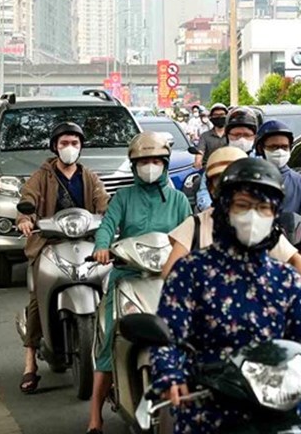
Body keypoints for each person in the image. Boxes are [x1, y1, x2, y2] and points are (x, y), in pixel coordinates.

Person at [150, 158, 301, 432]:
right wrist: (170, 373)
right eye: (243, 206)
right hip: (208, 408)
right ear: (224, 210)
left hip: (280, 409)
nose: (253, 216)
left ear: (274, 215)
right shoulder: (190, 272)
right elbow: (167, 336)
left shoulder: (286, 279)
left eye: (263, 208)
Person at [86, 131, 191, 434]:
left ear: (165, 163)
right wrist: (102, 247)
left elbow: (190, 231)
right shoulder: (123, 197)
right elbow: (107, 227)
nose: (150, 166)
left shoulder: (178, 200)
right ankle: (95, 412)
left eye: (156, 160)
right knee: (108, 339)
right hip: (128, 276)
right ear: (134, 165)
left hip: (169, 279)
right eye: (143, 161)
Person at [163, 146, 301, 307]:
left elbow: (294, 259)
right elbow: (171, 273)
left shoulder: (260, 227)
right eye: (222, 182)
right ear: (210, 187)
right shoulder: (196, 225)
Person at [16, 123, 110, 394]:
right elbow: (28, 198)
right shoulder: (42, 175)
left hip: (86, 242)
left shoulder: (89, 176)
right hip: (48, 242)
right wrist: (25, 218)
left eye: (74, 143)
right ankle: (30, 364)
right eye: (64, 143)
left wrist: (112, 217)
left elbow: (103, 201)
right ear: (55, 146)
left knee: (111, 287)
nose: (69, 148)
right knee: (36, 298)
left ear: (81, 147)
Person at [196, 107, 259, 211]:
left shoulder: (261, 162)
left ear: (254, 137)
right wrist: (213, 211)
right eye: (236, 135)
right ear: (227, 136)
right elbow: (204, 192)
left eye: (247, 135)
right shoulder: (219, 159)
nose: (241, 139)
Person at [193, 103, 228, 170]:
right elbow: (200, 152)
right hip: (210, 169)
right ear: (211, 117)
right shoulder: (205, 136)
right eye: (216, 115)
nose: (219, 117)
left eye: (222, 115)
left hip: (229, 170)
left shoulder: (231, 135)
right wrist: (198, 161)